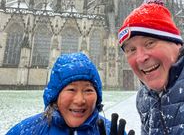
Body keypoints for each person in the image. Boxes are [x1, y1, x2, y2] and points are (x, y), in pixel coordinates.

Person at [118, 0, 184, 135]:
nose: (140, 58)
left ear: (175, 42)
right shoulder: (144, 98)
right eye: (131, 50)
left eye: (150, 43)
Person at [6, 52, 135, 135]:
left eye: (88, 90)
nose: (80, 100)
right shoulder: (27, 131)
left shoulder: (111, 132)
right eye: (71, 89)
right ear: (55, 95)